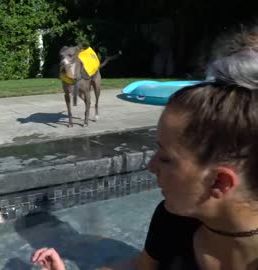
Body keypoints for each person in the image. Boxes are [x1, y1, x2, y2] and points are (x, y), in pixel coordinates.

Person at [31, 26, 258, 270]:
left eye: (166, 158)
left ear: (220, 182)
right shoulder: (172, 221)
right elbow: (140, 267)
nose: (150, 166)